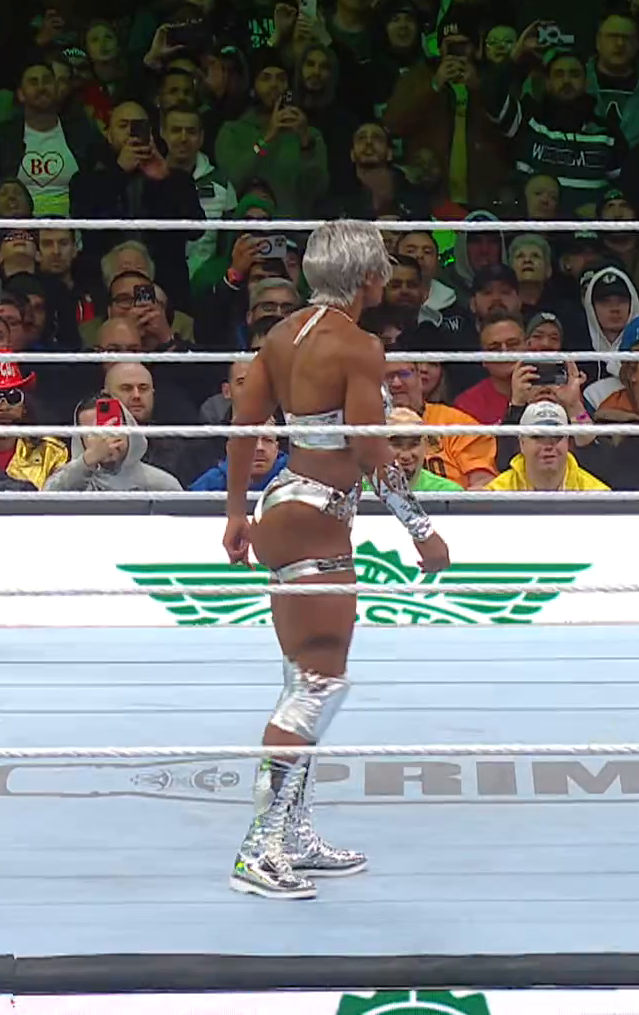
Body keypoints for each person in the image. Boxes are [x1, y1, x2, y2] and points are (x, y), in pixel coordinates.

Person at [220, 219, 450, 899]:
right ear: (369, 277)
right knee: (319, 685)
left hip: (285, 506)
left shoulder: (281, 335)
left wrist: (235, 513)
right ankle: (258, 850)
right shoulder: (359, 345)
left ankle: (292, 835)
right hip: (317, 520)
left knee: (304, 680)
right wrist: (421, 530)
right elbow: (373, 450)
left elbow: (242, 428)